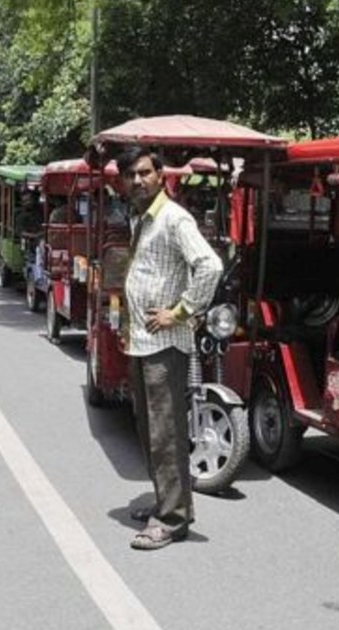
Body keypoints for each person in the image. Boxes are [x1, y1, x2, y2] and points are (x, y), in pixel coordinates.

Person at [116, 145, 223, 552]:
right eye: (131, 175)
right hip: (142, 342)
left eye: (145, 172)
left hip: (165, 344)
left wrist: (180, 312)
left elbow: (210, 265)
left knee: (166, 432)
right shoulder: (142, 218)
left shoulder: (174, 218)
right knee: (148, 429)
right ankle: (167, 503)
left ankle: (173, 520)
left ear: (160, 175)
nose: (138, 180)